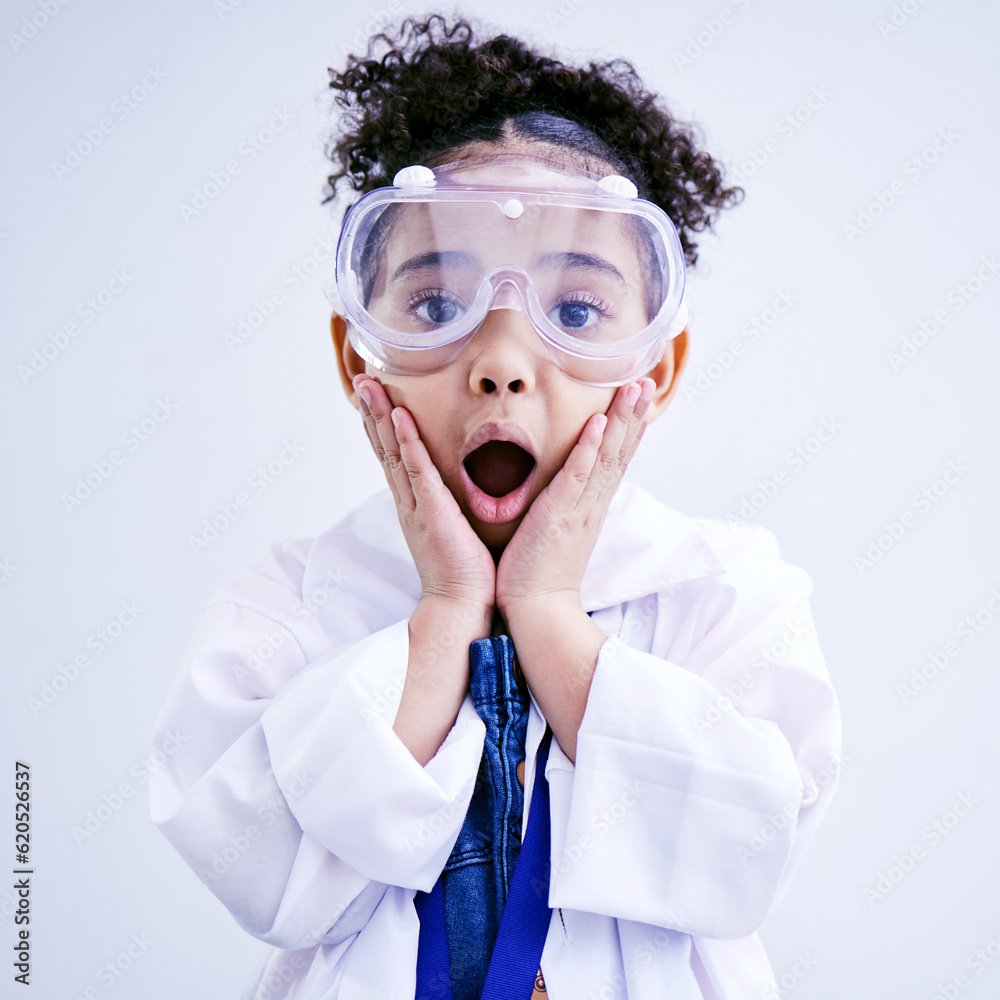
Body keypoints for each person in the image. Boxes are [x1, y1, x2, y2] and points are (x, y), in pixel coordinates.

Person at [148, 14, 842, 1000]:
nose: (502, 365)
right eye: (435, 308)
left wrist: (550, 616)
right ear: (358, 359)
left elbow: (743, 847)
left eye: (574, 313)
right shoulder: (292, 602)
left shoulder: (726, 593)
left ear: (655, 364)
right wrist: (442, 620)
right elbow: (255, 863)